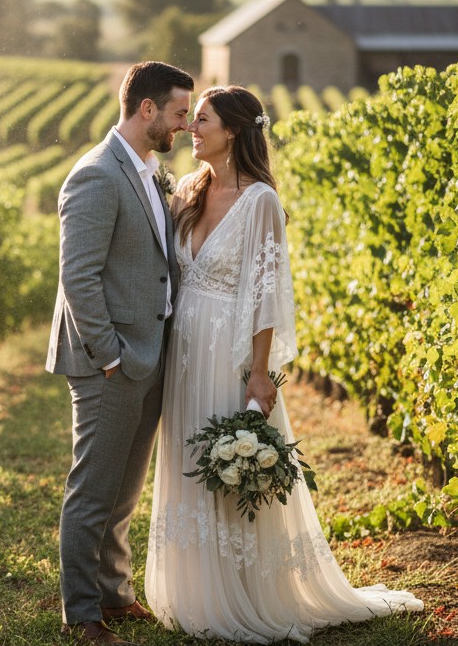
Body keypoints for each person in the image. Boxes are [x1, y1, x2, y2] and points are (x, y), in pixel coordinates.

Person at [145, 85, 423, 643]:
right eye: (191, 120)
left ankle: (244, 591)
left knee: (228, 462)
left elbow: (267, 293)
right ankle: (193, 587)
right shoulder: (188, 189)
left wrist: (258, 372)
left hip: (230, 352)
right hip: (184, 352)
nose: (191, 130)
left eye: (202, 121)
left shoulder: (260, 200)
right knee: (188, 455)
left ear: (234, 131)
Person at [46, 60, 193, 645]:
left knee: (125, 492)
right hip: (110, 360)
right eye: (180, 112)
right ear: (148, 109)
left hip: (147, 353)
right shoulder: (96, 175)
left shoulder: (150, 170)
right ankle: (82, 613)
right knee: (93, 490)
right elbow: (78, 276)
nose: (185, 124)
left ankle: (116, 594)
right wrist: (110, 356)